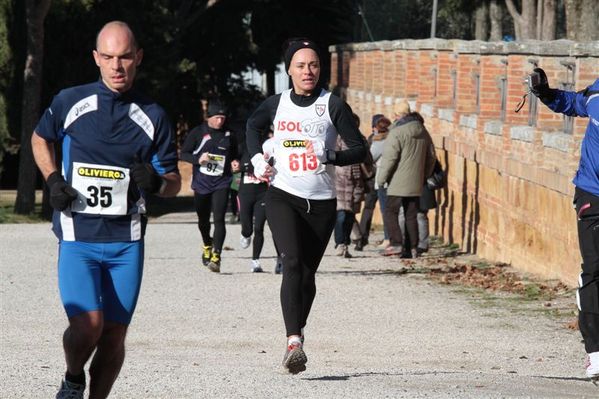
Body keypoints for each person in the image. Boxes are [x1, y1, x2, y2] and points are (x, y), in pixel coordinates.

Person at [31, 21, 181, 399]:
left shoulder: (153, 116)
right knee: (88, 325)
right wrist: (52, 181)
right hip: (78, 237)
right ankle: (71, 377)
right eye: (109, 57)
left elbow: (174, 180)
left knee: (114, 334)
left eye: (126, 57)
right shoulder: (69, 101)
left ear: (138, 58)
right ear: (96, 58)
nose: (118, 66)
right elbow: (39, 138)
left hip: (126, 242)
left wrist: (157, 182)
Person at [245, 38, 367, 374]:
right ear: (289, 70)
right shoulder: (276, 104)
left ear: (320, 68)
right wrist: (257, 158)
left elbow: (360, 149)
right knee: (293, 262)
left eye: (313, 64)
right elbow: (252, 127)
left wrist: (330, 155)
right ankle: (293, 340)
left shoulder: (332, 105)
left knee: (309, 276)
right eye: (300, 65)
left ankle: (297, 335)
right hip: (283, 195)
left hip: (323, 202)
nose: (308, 71)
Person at [529, 68, 599, 380]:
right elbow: (574, 103)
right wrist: (546, 93)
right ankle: (596, 353)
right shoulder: (598, 92)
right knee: (595, 272)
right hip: (592, 195)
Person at [180, 99, 240, 273]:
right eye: (216, 117)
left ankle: (217, 257)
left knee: (219, 219)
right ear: (209, 118)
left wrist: (235, 162)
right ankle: (207, 243)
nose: (220, 121)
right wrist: (197, 160)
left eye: (222, 117)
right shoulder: (198, 133)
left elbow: (236, 154)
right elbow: (184, 154)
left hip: (222, 182)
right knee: (203, 221)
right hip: (202, 183)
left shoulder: (230, 135)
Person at [376, 101, 436, 258]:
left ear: (396, 115)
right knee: (411, 214)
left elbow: (390, 158)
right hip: (416, 181)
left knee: (390, 211)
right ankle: (412, 248)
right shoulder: (423, 131)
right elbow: (431, 156)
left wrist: (381, 179)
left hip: (397, 181)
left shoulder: (397, 132)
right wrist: (424, 175)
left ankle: (396, 243)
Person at [334, 114, 372, 258]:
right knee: (341, 214)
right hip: (340, 180)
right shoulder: (338, 137)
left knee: (350, 215)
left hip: (356, 181)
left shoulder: (361, 139)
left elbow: (368, 158)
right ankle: (340, 243)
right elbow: (333, 156)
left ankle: (346, 243)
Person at [237, 129, 271, 272]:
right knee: (248, 228)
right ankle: (245, 234)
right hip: (245, 192)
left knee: (259, 227)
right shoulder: (243, 147)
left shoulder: (267, 149)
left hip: (262, 192)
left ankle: (255, 261)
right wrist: (235, 166)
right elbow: (236, 165)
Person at [354, 114, 388, 250]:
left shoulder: (371, 139)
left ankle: (362, 239)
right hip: (378, 178)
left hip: (371, 178)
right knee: (383, 209)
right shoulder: (388, 139)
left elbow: (368, 158)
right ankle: (383, 237)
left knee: (369, 209)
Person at [369, 115, 392, 248]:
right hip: (393, 180)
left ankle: (388, 238)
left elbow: (370, 157)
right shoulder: (393, 139)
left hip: (382, 180)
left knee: (385, 210)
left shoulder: (379, 142)